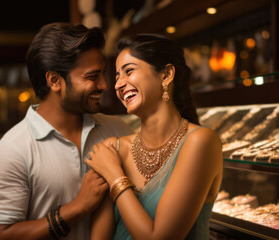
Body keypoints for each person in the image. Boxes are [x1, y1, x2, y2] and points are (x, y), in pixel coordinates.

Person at [0, 22, 132, 240]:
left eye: (103, 74)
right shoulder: (11, 152)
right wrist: (77, 207)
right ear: (54, 80)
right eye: (92, 76)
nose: (104, 85)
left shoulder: (119, 130)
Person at [85, 34, 223, 239]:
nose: (118, 85)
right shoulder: (113, 149)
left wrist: (115, 176)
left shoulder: (200, 142)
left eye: (129, 71)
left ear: (166, 75)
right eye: (116, 76)